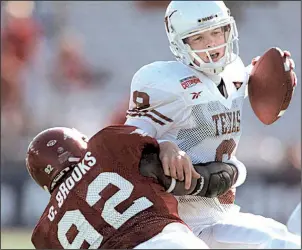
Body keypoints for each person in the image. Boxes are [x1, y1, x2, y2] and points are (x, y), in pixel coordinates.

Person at [125, 1, 299, 249]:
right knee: (279, 244)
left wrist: (265, 73)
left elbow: (241, 80)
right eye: (198, 37)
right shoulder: (162, 82)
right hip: (183, 223)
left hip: (220, 212)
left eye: (217, 31)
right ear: (179, 42)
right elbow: (125, 148)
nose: (211, 43)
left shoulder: (235, 70)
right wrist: (162, 145)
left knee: (285, 237)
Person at [26, 125, 238, 249]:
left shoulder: (44, 234)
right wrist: (232, 172)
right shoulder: (106, 146)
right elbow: (194, 181)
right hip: (168, 243)